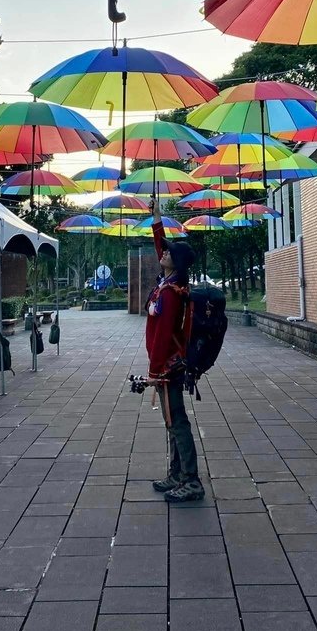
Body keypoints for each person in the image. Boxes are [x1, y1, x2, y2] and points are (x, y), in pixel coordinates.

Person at [145, 199, 204, 503]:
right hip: (170, 366)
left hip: (168, 367)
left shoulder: (170, 294)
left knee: (177, 421)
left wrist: (154, 373)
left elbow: (164, 337)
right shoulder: (170, 283)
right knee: (172, 420)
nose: (163, 253)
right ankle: (176, 474)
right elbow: (162, 250)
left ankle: (190, 480)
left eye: (169, 252)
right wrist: (157, 219)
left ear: (176, 264)